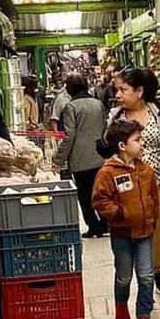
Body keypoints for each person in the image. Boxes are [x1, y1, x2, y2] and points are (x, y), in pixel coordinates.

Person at [111, 67, 160, 295]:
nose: (118, 95)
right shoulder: (116, 118)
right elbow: (106, 149)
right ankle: (141, 275)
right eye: (117, 90)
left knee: (159, 230)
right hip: (128, 188)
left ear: (139, 91)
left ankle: (157, 269)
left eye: (123, 89)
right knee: (136, 233)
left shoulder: (159, 114)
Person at [92, 117, 160, 319]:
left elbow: (153, 198)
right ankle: (121, 306)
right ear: (122, 146)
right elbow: (100, 201)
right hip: (121, 234)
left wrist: (152, 219)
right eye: (138, 140)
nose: (142, 144)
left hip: (145, 233)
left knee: (146, 276)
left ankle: (144, 318)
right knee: (124, 275)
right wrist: (120, 214)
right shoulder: (108, 173)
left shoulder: (146, 171)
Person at [53, 74, 107, 237]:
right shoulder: (98, 104)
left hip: (80, 159)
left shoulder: (71, 107)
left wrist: (58, 159)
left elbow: (69, 136)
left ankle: (93, 226)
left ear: (69, 89)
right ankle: (105, 223)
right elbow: (104, 127)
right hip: (100, 156)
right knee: (102, 192)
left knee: (85, 196)